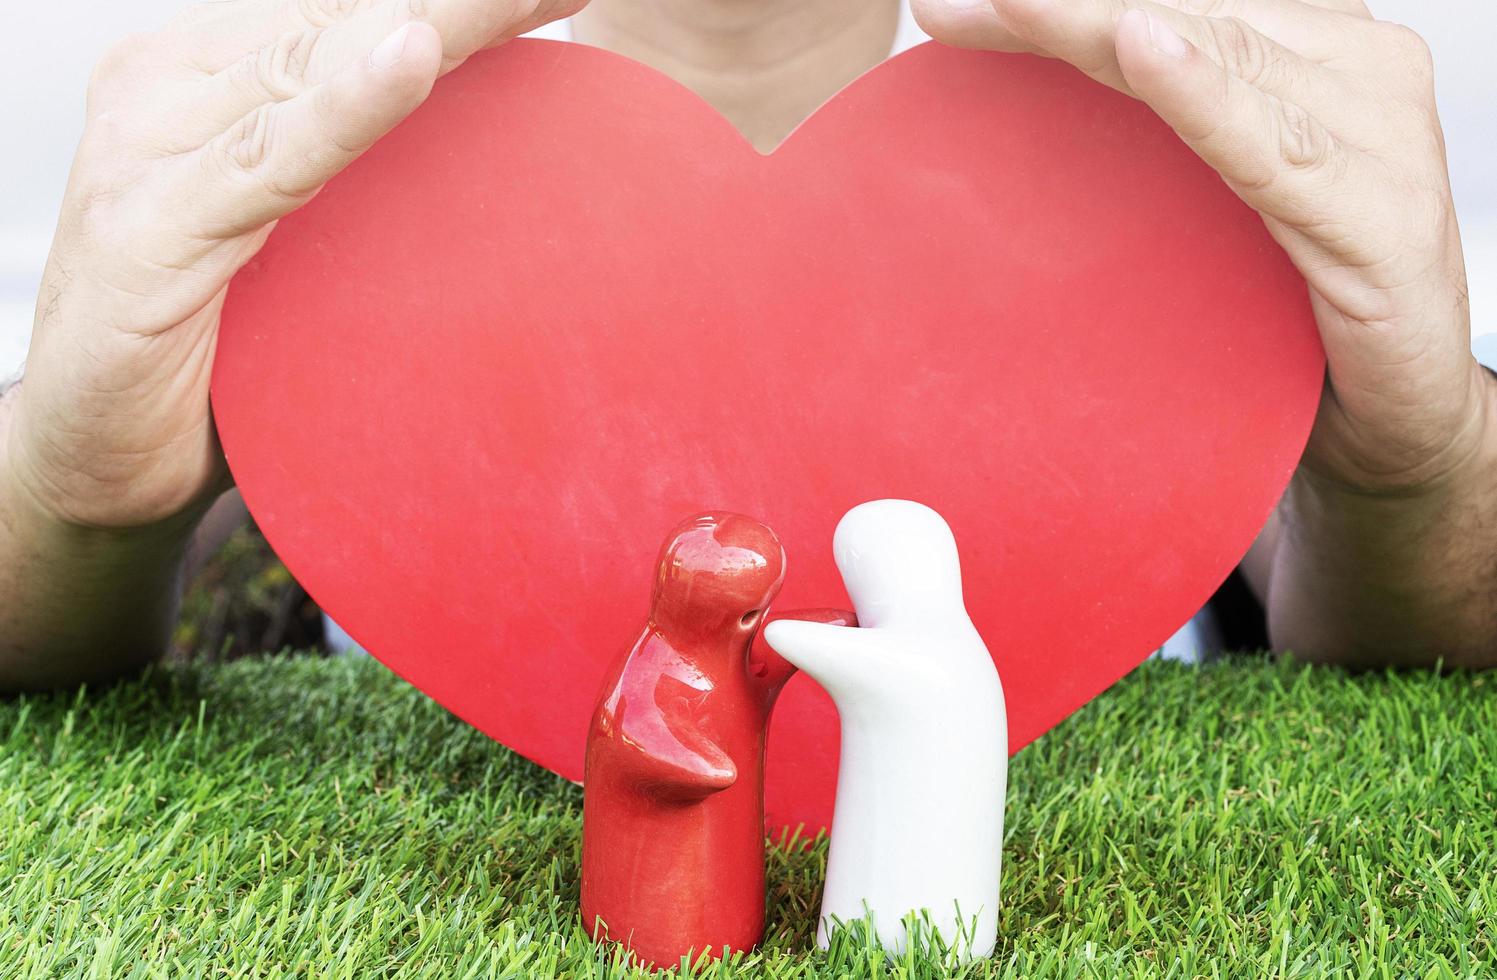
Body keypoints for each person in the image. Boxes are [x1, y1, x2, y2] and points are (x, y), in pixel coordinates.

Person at [0, 0, 1490, 690]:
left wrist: (1416, 478)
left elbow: (1367, 631)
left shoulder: (1170, 226)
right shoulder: (311, 253)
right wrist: (63, 503)